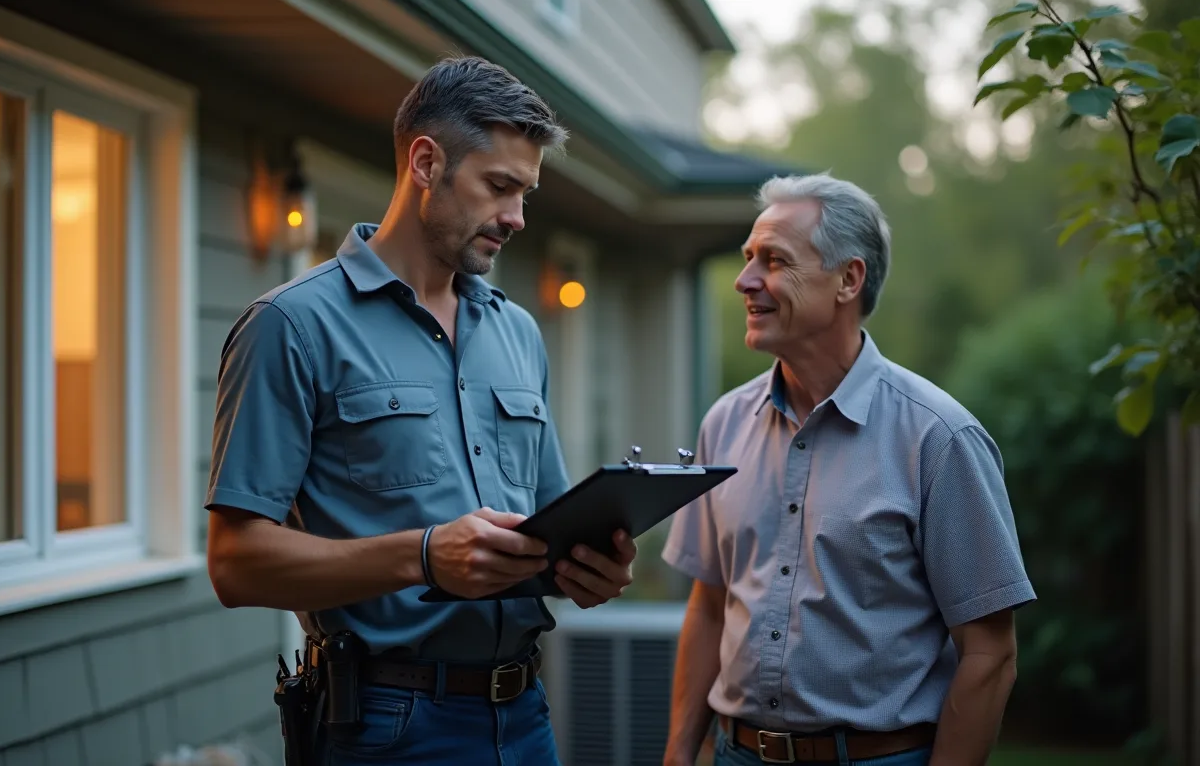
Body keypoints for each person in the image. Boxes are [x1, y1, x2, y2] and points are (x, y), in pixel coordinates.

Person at [203, 56, 636, 765]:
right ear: (427, 163)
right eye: (499, 187)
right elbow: (235, 563)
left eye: (525, 194)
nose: (517, 218)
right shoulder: (291, 324)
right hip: (386, 724)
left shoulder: (519, 332)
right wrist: (424, 556)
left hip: (526, 716)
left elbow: (552, 525)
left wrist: (593, 567)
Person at [660, 173, 1036, 766]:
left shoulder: (939, 438)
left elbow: (990, 656)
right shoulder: (723, 424)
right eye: (747, 258)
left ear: (848, 279)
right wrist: (680, 752)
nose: (745, 280)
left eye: (775, 260)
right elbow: (709, 604)